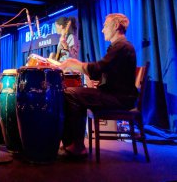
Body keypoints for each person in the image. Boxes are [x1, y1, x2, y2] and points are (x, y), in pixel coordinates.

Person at [59, 13, 138, 158]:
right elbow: (101, 72)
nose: (102, 30)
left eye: (105, 26)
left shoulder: (122, 47)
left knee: (70, 93)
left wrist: (75, 65)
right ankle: (75, 144)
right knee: (76, 93)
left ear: (115, 26)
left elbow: (98, 69)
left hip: (119, 98)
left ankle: (76, 146)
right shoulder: (119, 47)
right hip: (118, 95)